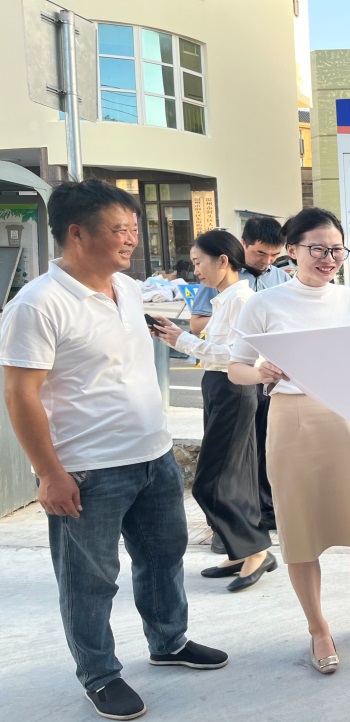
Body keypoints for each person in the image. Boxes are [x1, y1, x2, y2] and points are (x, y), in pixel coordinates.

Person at [0, 180, 227, 721]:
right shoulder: (37, 305)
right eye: (120, 229)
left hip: (153, 456)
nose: (131, 240)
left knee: (163, 556)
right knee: (90, 580)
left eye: (134, 229)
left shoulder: (126, 289)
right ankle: (99, 674)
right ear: (77, 233)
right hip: (87, 469)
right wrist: (48, 473)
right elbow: (19, 394)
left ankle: (168, 641)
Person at [228, 207, 350, 674]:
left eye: (337, 250)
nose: (329, 259)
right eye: (318, 249)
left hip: (347, 416)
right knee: (301, 529)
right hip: (292, 419)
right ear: (292, 250)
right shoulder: (263, 304)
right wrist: (260, 371)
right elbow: (235, 368)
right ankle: (318, 628)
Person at [150, 230, 276, 592]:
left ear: (222, 260)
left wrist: (184, 341)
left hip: (234, 388)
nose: (195, 271)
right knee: (234, 477)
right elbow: (218, 349)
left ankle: (255, 549)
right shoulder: (224, 299)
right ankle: (242, 552)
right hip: (219, 387)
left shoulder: (242, 301)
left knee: (211, 481)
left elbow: (240, 357)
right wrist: (180, 337)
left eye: (198, 262)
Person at [192, 216, 288, 539]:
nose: (267, 261)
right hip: (236, 373)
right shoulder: (225, 278)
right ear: (243, 245)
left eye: (274, 255)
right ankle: (238, 527)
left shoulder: (281, 278)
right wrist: (241, 323)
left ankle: (264, 513)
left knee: (265, 447)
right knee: (237, 454)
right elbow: (198, 323)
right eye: (260, 253)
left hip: (268, 376)